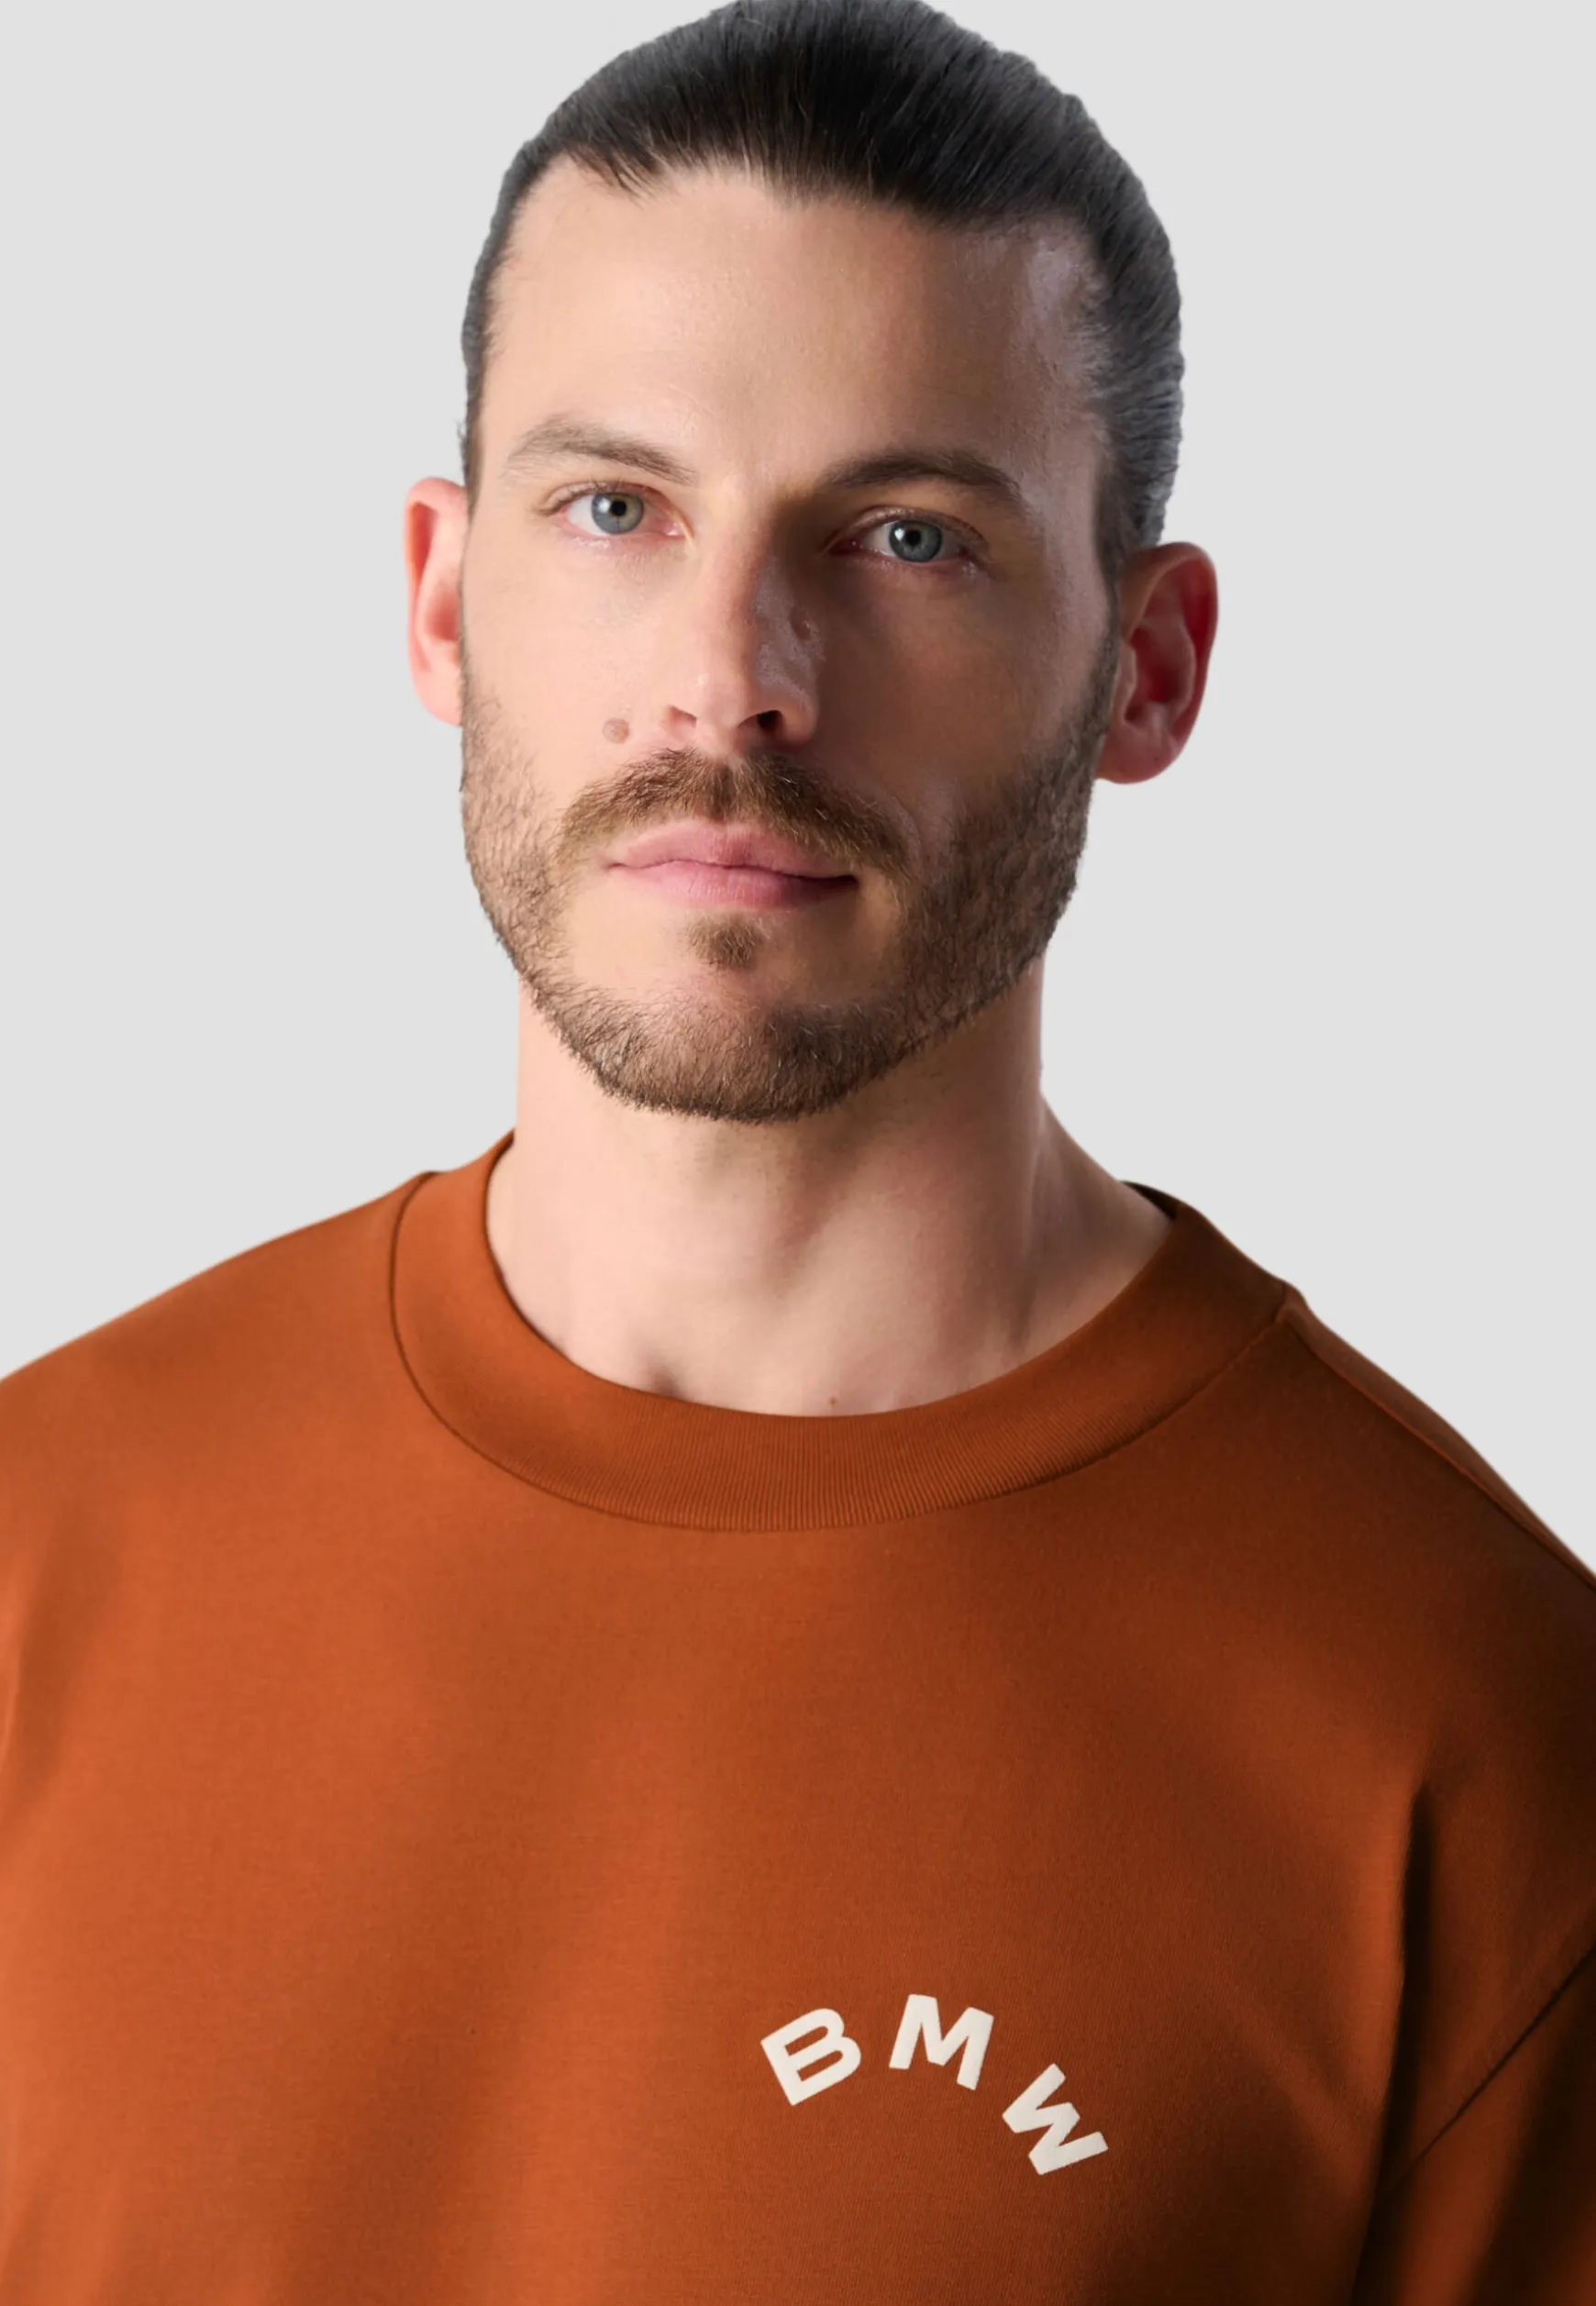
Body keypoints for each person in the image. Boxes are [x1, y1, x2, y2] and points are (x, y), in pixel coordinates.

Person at [1, 0, 1590, 2296]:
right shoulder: (43, 1550)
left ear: (1147, 667)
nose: (734, 671)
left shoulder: (1474, 1740)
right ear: (443, 598)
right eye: (618, 510)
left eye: (909, 537)